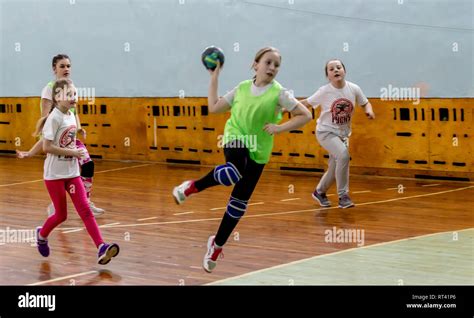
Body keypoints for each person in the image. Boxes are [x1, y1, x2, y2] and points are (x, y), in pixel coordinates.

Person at [173, 47, 312, 272]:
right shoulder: (241, 88)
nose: (272, 68)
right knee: (233, 172)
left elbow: (305, 115)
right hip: (235, 138)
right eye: (268, 62)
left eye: (276, 65)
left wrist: (280, 127)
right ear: (255, 64)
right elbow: (214, 107)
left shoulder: (279, 93)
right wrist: (214, 77)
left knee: (238, 205)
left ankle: (216, 245)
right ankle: (192, 187)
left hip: (259, 151)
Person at [34, 78, 119, 265]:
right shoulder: (54, 118)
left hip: (72, 173)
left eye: (75, 94)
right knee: (61, 215)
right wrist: (72, 152)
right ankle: (41, 235)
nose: (74, 98)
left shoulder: (71, 116)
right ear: (57, 97)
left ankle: (101, 247)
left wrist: (75, 152)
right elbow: (47, 147)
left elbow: (70, 141)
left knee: (85, 211)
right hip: (54, 175)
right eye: (69, 95)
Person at [16, 54, 104, 216]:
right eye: (62, 66)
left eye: (68, 66)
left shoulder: (71, 86)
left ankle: (84, 201)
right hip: (55, 136)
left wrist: (78, 127)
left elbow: (73, 111)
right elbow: (45, 115)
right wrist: (45, 137)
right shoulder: (49, 88)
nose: (66, 69)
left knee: (86, 166)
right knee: (65, 175)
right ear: (54, 69)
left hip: (69, 135)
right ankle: (59, 206)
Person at [301, 59, 375, 209]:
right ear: (328, 76)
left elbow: (365, 102)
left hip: (343, 135)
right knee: (343, 156)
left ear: (344, 71)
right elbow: (307, 103)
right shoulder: (324, 91)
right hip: (326, 133)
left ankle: (319, 192)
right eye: (331, 69)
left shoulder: (354, 88)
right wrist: (285, 107)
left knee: (335, 167)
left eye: (338, 67)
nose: (335, 70)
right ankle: (343, 196)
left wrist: (369, 110)